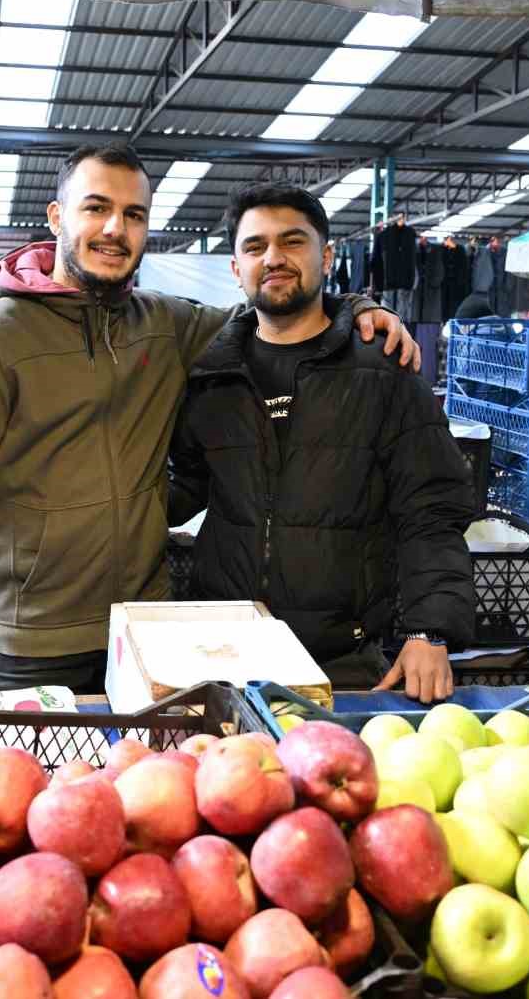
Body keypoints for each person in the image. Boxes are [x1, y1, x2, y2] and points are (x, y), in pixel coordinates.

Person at [0, 143, 418, 696]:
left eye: (134, 214)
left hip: (148, 627)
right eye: (96, 208)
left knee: (150, 784)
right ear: (57, 216)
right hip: (35, 640)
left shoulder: (166, 324)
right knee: (47, 785)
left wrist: (355, 310)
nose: (114, 229)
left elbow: (274, 317)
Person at [167, 184, 476, 703]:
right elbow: (191, 484)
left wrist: (430, 629)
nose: (274, 258)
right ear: (235, 267)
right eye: (255, 246)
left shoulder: (382, 372)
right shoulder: (210, 374)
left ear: (326, 256)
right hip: (224, 653)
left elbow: (431, 508)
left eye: (293, 242)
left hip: (342, 662)